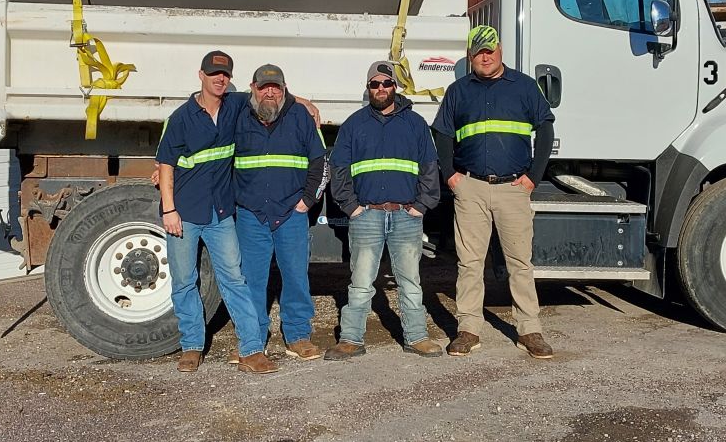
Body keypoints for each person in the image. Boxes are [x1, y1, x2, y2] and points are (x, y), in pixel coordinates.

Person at [432, 25, 556, 359]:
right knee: (469, 263)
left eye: (490, 50)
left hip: (513, 189)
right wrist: (451, 177)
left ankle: (529, 330)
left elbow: (545, 128)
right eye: (478, 52)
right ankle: (469, 329)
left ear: (500, 50)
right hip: (470, 188)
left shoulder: (524, 87)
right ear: (470, 56)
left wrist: (534, 176)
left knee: (520, 263)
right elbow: (442, 134)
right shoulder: (458, 91)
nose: (485, 57)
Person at [157, 50, 277, 374]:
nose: (220, 79)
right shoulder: (181, 118)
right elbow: (165, 166)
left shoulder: (235, 105)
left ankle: (252, 350)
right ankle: (192, 346)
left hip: (220, 213)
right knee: (184, 281)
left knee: (235, 280)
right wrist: (169, 210)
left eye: (224, 75)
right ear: (201, 76)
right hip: (183, 212)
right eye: (214, 75)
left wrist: (305, 103)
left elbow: (268, 95)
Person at [324, 61, 443, 360]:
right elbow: (338, 169)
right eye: (374, 84)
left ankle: (416, 337)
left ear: (395, 87)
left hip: (406, 216)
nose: (381, 89)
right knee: (361, 283)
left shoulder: (415, 124)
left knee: (410, 283)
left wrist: (421, 206)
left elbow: (430, 167)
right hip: (367, 216)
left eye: (386, 83)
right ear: (368, 89)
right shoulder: (354, 124)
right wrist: (351, 208)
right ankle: (351, 339)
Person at [232, 64, 328, 361]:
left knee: (296, 276)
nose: (270, 92)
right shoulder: (237, 115)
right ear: (253, 89)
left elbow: (320, 162)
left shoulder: (300, 117)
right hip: (251, 214)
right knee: (252, 280)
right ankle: (253, 338)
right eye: (264, 87)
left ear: (285, 90)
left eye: (276, 87)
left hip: (290, 213)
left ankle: (297, 335)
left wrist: (307, 201)